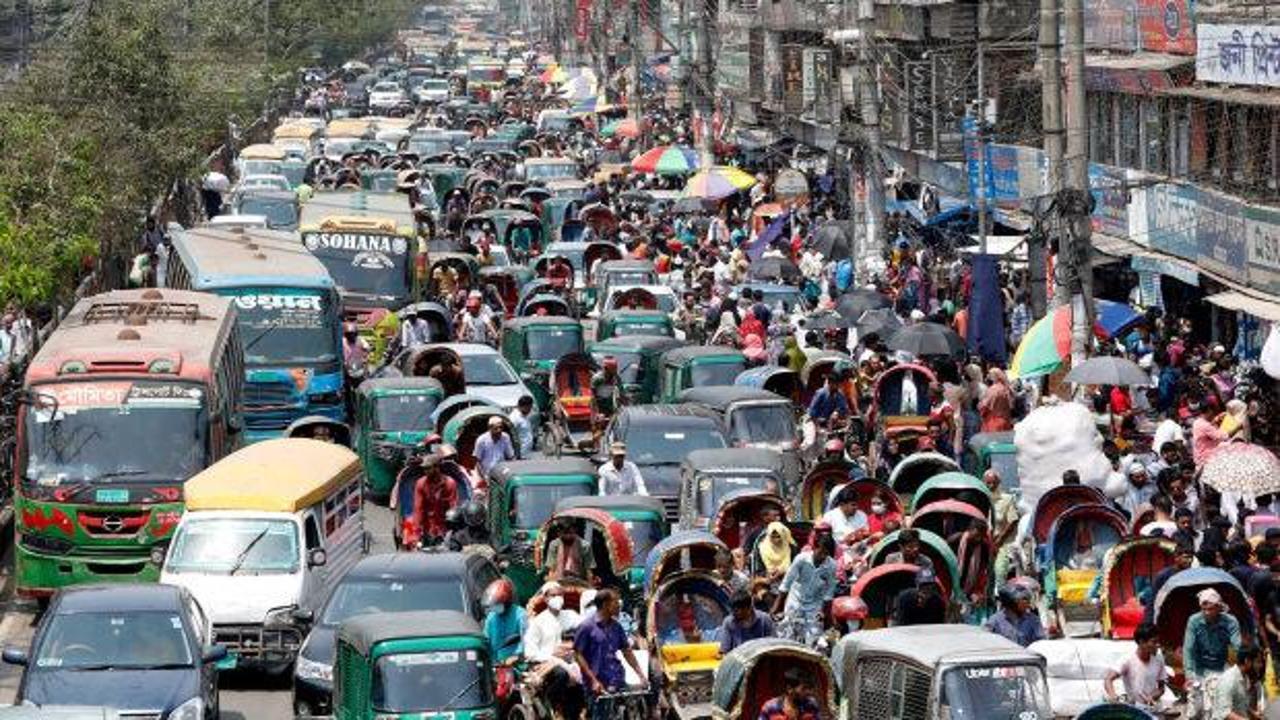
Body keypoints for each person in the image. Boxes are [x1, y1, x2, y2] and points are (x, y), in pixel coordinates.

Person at [575, 588, 647, 718]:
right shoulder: (586, 627)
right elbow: (578, 654)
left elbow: (627, 651)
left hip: (617, 678)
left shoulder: (617, 626)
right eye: (615, 602)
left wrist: (641, 675)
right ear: (605, 605)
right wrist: (593, 680)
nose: (619, 605)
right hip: (598, 684)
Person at [524, 582, 585, 720]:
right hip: (545, 663)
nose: (558, 598)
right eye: (553, 595)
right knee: (561, 674)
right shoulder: (538, 622)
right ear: (546, 598)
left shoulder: (571, 615)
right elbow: (530, 652)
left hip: (572, 660)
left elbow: (586, 628)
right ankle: (550, 702)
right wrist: (551, 654)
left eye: (560, 595)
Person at [773, 534, 837, 644]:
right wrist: (776, 607)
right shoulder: (801, 559)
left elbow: (829, 592)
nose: (822, 557)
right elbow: (786, 583)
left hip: (814, 604)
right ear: (814, 547)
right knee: (788, 637)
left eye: (826, 554)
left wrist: (825, 613)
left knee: (814, 640)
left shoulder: (831, 566)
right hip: (795, 601)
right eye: (821, 552)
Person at [1183, 588, 1243, 683]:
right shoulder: (1194, 621)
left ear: (1219, 608)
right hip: (1200, 668)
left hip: (1222, 666)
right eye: (1204, 609)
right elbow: (1188, 649)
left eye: (1211, 609)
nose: (1207, 613)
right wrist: (1189, 675)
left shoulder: (1231, 622)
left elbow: (1237, 646)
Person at [1104, 622, 1167, 707]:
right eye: (1154, 642)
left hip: (1152, 708)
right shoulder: (1127, 659)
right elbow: (1108, 679)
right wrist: (1113, 696)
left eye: (1158, 642)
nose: (1157, 645)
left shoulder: (1159, 660)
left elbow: (1161, 688)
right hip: (1132, 708)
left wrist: (1151, 697)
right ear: (1141, 642)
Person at [410, 455, 458, 547]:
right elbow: (418, 509)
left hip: (443, 527)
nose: (425, 471)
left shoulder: (449, 483)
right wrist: (416, 533)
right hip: (428, 527)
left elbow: (453, 507)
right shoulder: (421, 483)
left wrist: (452, 532)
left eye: (428, 468)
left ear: (437, 467)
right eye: (424, 469)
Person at [1210, 644, 1261, 720]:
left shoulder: (1244, 677)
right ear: (1247, 661)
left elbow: (1242, 703)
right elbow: (1225, 713)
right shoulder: (1229, 680)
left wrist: (1254, 714)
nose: (1260, 665)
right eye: (1258, 662)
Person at [483, 578, 527, 664]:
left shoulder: (521, 615)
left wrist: (516, 656)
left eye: (498, 604)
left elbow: (527, 642)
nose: (494, 607)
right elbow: (486, 640)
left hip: (516, 664)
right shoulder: (491, 617)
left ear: (507, 602)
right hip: (496, 664)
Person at [718, 589, 774, 655]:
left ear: (749, 607)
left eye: (738, 610)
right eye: (733, 610)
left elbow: (772, 645)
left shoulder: (765, 619)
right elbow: (725, 650)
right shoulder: (728, 622)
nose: (735, 614)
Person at [756, 667, 824, 720]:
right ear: (789, 689)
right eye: (804, 688)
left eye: (810, 688)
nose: (809, 692)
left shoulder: (811, 705)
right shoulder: (770, 707)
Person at [984, 469, 1019, 546]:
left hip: (1002, 544)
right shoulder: (981, 500)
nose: (991, 486)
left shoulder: (1007, 499)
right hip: (984, 545)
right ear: (983, 483)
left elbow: (1013, 521)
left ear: (999, 483)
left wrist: (1000, 539)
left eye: (994, 483)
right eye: (988, 483)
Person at [590, 357, 625, 427]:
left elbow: (621, 394)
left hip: (611, 407)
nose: (612, 375)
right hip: (599, 406)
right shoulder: (597, 379)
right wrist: (597, 413)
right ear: (605, 369)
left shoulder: (616, 378)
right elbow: (593, 398)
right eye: (610, 372)